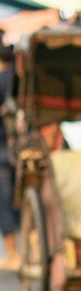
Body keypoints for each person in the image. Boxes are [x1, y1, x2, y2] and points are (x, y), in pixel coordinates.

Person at [0, 44, 19, 269]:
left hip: (3, 148)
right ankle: (31, 248)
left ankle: (13, 253)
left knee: (4, 201)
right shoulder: (18, 78)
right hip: (21, 147)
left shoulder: (3, 80)